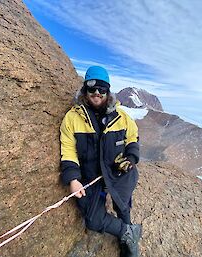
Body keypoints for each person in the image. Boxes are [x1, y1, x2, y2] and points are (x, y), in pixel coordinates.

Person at [60, 66, 142, 257]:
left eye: (102, 89)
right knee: (93, 220)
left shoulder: (121, 117)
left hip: (118, 172)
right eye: (92, 88)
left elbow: (133, 136)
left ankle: (127, 237)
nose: (97, 93)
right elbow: (69, 150)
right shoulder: (72, 118)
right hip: (91, 177)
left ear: (108, 90)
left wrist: (131, 157)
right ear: (84, 90)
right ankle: (127, 233)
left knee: (123, 206)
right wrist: (73, 179)